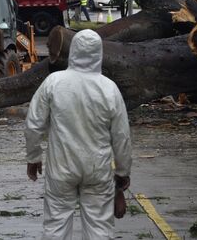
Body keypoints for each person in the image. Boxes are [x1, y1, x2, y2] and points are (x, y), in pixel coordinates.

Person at [25, 29, 132, 239]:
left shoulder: (54, 82)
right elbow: (122, 137)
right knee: (99, 228)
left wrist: (33, 157)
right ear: (99, 53)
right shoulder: (109, 89)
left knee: (56, 226)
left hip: (61, 169)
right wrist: (122, 173)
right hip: (97, 169)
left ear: (72, 51)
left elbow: (34, 123)